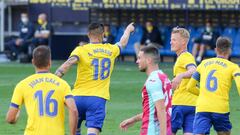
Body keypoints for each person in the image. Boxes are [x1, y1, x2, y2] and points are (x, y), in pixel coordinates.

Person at [55, 22, 135, 135]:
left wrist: (53, 78)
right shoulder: (111, 50)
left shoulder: (81, 50)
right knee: (92, 131)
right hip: (97, 99)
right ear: (103, 34)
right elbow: (123, 42)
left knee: (75, 130)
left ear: (88, 34)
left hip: (77, 98)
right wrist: (127, 30)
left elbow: (68, 64)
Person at [6, 46, 78, 135]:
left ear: (33, 62)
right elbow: (73, 110)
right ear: (50, 62)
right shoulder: (62, 84)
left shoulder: (22, 85)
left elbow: (10, 118)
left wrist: (15, 117)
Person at [187, 37, 240, 135]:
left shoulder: (203, 64)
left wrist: (205, 93)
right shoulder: (233, 67)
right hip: (220, 108)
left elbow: (190, 87)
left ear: (216, 49)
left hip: (202, 107)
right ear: (229, 50)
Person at [119, 45, 172, 135]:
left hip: (152, 131)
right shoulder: (163, 77)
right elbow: (154, 111)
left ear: (148, 60)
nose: (137, 61)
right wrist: (134, 119)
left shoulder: (153, 81)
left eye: (139, 58)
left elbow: (161, 110)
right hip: (163, 129)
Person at [170, 27, 198, 135]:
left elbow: (194, 70)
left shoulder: (185, 57)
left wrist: (180, 75)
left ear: (184, 42)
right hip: (193, 104)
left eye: (174, 40)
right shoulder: (184, 57)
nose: (171, 42)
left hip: (180, 103)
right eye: (171, 39)